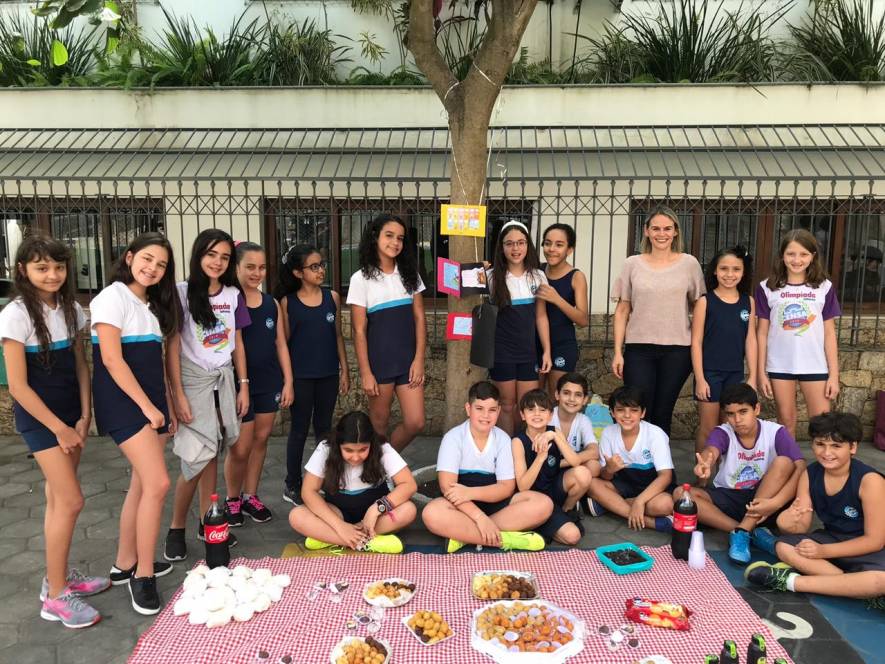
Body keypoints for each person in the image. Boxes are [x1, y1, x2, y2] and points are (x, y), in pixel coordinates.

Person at [0, 235, 109, 628]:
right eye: (42, 267)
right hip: (42, 422)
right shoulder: (15, 315)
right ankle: (56, 597)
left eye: (59, 267)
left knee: (56, 500)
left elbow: (80, 365)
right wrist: (60, 428)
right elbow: (18, 387)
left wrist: (84, 415)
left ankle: (57, 578)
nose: (52, 275)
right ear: (23, 270)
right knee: (71, 501)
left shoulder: (71, 308)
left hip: (71, 416)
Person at [90, 232, 180, 615]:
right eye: (146, 259)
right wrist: (147, 408)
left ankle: (125, 563)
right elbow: (112, 360)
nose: (152, 268)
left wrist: (167, 407)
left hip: (151, 404)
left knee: (142, 484)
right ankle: (143, 576)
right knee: (159, 484)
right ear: (129, 257)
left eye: (161, 264)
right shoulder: (111, 297)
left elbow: (153, 364)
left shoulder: (151, 305)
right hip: (124, 405)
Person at [164, 229, 250, 562]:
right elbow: (172, 346)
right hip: (192, 382)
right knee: (195, 457)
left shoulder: (233, 294)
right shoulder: (181, 293)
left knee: (213, 452)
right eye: (211, 254)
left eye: (225, 257)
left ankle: (207, 521)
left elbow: (237, 342)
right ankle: (176, 527)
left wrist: (243, 385)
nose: (217, 262)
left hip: (223, 382)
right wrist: (178, 395)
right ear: (198, 255)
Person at [746, 412, 885, 600]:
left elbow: (875, 541)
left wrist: (823, 552)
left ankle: (791, 582)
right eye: (820, 444)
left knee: (880, 581)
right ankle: (849, 585)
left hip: (869, 549)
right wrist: (786, 523)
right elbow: (801, 527)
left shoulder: (870, 481)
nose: (827, 453)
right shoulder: (810, 475)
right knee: (783, 546)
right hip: (832, 539)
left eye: (836, 446)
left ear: (852, 447)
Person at [678, 383, 805, 565]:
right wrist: (706, 462)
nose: (737, 420)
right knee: (681, 495)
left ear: (757, 409)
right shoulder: (723, 432)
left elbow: (800, 467)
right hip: (731, 497)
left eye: (743, 412)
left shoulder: (776, 432)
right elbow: (712, 450)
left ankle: (743, 530)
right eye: (731, 414)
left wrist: (776, 502)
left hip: (765, 499)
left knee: (784, 462)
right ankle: (744, 531)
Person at [422, 381, 553, 553]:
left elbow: (506, 487)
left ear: (498, 411)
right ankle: (506, 540)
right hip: (461, 506)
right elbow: (448, 488)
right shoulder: (453, 438)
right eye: (479, 408)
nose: (486, 415)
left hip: (494, 505)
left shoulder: (503, 439)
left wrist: (471, 494)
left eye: (492, 410)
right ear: (468, 409)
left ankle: (464, 536)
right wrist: (478, 517)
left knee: (543, 504)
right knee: (431, 513)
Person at [611, 206, 705, 436]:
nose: (661, 234)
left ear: (675, 231)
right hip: (638, 349)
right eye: (656, 228)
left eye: (667, 229)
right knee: (638, 410)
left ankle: (661, 459)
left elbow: (699, 306)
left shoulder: (689, 264)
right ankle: (636, 458)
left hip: (677, 351)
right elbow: (622, 309)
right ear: (646, 231)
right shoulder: (632, 264)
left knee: (662, 412)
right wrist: (618, 352)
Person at [223, 242, 293, 526]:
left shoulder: (271, 303)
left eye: (262, 267)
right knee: (240, 446)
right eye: (250, 267)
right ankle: (232, 498)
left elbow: (280, 344)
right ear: (236, 267)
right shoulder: (229, 301)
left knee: (261, 439)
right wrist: (242, 385)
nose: (256, 273)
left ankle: (250, 496)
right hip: (239, 385)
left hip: (269, 381)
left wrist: (288, 381)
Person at [276, 244, 349, 505]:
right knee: (298, 429)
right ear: (298, 273)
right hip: (301, 377)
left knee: (324, 429)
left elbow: (337, 336)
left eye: (322, 265)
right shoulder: (287, 303)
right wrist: (287, 381)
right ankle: (292, 484)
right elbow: (283, 344)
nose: (321, 270)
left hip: (328, 374)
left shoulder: (332, 298)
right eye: (314, 266)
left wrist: (344, 370)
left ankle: (325, 480)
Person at [347, 214, 425, 451]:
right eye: (389, 236)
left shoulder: (410, 274)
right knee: (379, 425)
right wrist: (365, 372)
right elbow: (359, 330)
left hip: (408, 362)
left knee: (416, 422)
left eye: (400, 238)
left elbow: (419, 318)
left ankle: (384, 462)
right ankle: (379, 467)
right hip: (379, 364)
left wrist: (419, 359)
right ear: (375, 237)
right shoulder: (360, 279)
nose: (395, 242)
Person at [288, 411, 417, 554]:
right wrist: (340, 526)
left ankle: (329, 538)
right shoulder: (325, 448)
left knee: (409, 510)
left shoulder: (382, 447)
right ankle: (367, 542)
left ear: (371, 443)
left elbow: (409, 485)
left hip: (375, 517)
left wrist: (376, 509)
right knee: (297, 516)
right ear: (338, 444)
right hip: (337, 513)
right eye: (348, 450)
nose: (355, 457)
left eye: (363, 450)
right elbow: (308, 492)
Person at [756, 229, 841, 438]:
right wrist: (760, 372)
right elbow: (762, 333)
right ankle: (789, 460)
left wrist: (834, 375)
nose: (797, 260)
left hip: (815, 365)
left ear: (813, 256)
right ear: (782, 255)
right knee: (786, 423)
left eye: (803, 254)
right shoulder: (766, 288)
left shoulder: (824, 287)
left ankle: (823, 461)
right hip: (779, 365)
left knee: (822, 425)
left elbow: (829, 333)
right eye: (791, 254)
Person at [487, 220, 552, 434]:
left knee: (528, 406)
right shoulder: (490, 277)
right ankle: (507, 450)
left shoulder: (538, 276)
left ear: (527, 245)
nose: (515, 248)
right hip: (501, 352)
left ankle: (524, 449)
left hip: (528, 352)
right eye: (509, 243)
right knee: (506, 405)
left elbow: (541, 316)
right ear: (501, 247)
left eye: (521, 242)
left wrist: (547, 351)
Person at [691, 246, 757, 453]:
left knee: (729, 427)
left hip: (735, 374)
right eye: (724, 268)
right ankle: (703, 471)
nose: (729, 274)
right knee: (709, 428)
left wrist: (753, 376)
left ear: (743, 272)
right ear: (715, 271)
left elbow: (751, 340)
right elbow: (696, 342)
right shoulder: (705, 301)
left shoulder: (748, 302)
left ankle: (725, 471)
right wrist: (700, 379)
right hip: (710, 374)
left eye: (736, 269)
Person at [587, 386, 675, 531]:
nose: (627, 415)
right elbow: (605, 476)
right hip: (625, 485)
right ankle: (650, 522)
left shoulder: (655, 434)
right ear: (612, 412)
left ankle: (610, 505)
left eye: (634, 410)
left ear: (643, 413)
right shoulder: (608, 433)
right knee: (591, 484)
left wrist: (640, 501)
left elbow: (666, 477)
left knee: (665, 504)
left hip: (652, 488)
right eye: (620, 410)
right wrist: (609, 469)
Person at [511, 389, 592, 545]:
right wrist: (540, 458)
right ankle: (540, 524)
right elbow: (522, 486)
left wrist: (554, 436)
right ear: (522, 415)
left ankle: (566, 511)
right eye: (531, 409)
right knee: (572, 536)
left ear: (550, 415)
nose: (537, 414)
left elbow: (575, 462)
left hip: (553, 490)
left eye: (542, 410)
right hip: (533, 498)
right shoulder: (518, 442)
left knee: (583, 473)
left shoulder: (554, 432)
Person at [537, 223, 589, 397]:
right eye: (547, 243)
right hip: (534, 343)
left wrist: (557, 299)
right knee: (533, 400)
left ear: (570, 250)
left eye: (559, 245)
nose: (552, 249)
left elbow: (583, 320)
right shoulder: (537, 271)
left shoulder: (576, 277)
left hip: (562, 344)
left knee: (557, 398)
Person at [550, 372, 600, 481]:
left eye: (578, 395)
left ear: (585, 399)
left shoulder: (583, 420)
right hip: (547, 466)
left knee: (594, 466)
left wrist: (561, 463)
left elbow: (595, 451)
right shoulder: (548, 417)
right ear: (557, 395)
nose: (572, 399)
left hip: (566, 465)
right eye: (566, 393)